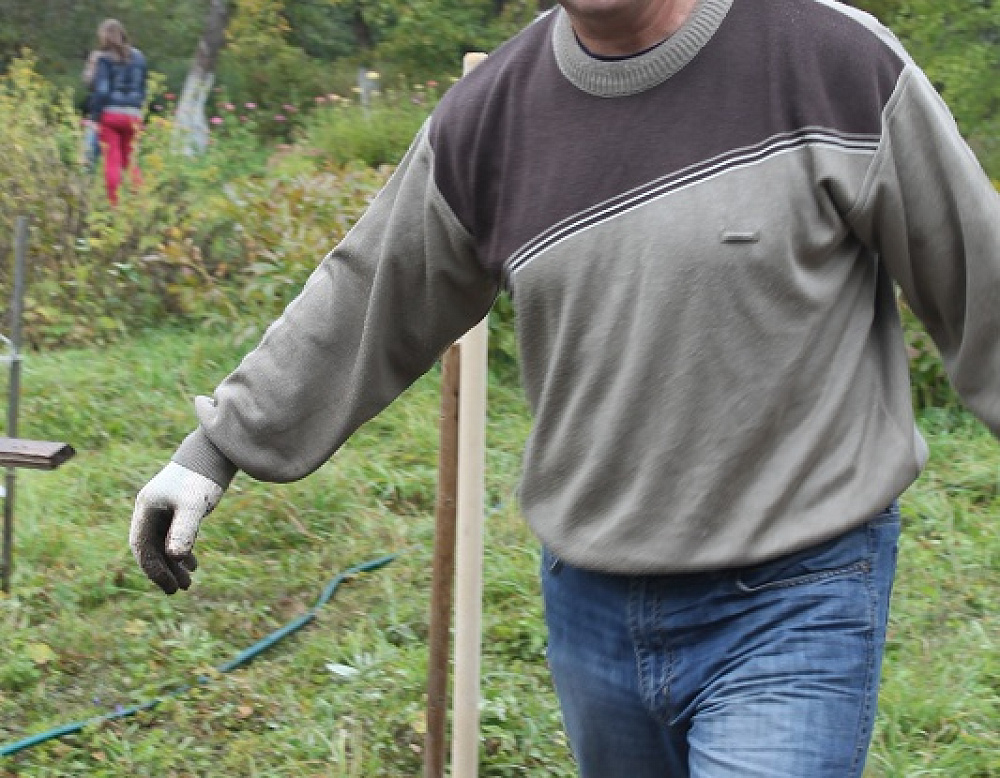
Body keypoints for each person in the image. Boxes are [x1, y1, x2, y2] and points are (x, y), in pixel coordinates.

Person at [130, 0, 1000, 775]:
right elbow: (369, 291)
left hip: (795, 593)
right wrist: (215, 451)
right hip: (594, 608)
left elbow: (979, 277)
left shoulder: (832, 60)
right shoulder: (492, 118)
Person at [88, 19, 147, 205]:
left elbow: (102, 91)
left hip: (111, 116)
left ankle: (115, 206)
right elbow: (143, 88)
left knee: (112, 161)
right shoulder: (139, 57)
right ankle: (140, 204)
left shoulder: (104, 58)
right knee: (130, 163)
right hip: (133, 115)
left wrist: (96, 118)